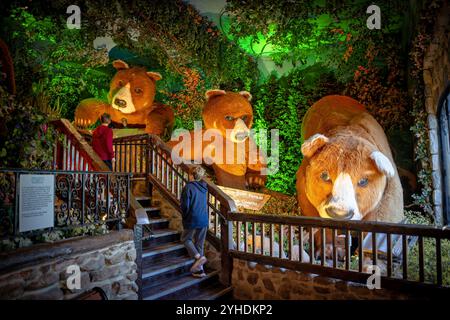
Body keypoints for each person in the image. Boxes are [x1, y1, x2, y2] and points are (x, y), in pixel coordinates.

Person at [180, 166, 209, 278]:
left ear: (191, 175)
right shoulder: (203, 188)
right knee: (199, 245)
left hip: (192, 218)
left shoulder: (188, 187)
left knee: (185, 239)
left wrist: (185, 217)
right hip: (204, 219)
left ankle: (198, 258)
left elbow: (184, 206)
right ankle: (199, 271)